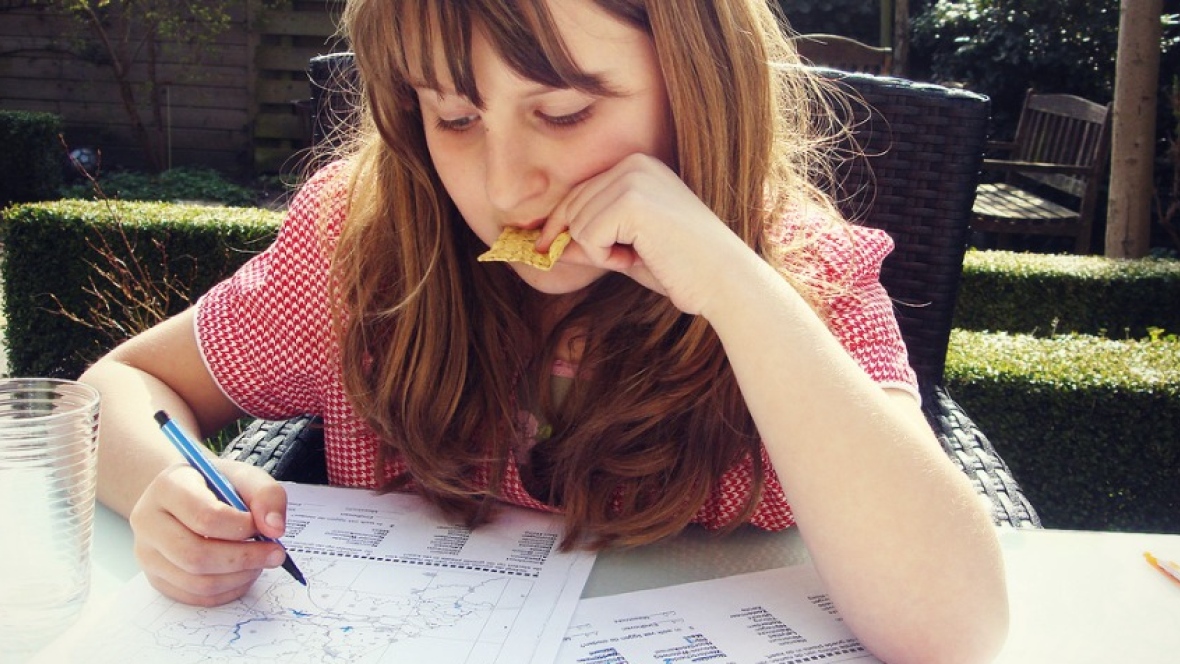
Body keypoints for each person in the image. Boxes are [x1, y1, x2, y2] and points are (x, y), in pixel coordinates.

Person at [80, 1, 1008, 661]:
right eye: (454, 118)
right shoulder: (366, 251)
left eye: (563, 112)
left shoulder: (803, 272)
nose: (506, 185)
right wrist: (171, 489)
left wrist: (737, 290)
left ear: (698, 88)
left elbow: (953, 625)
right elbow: (117, 389)